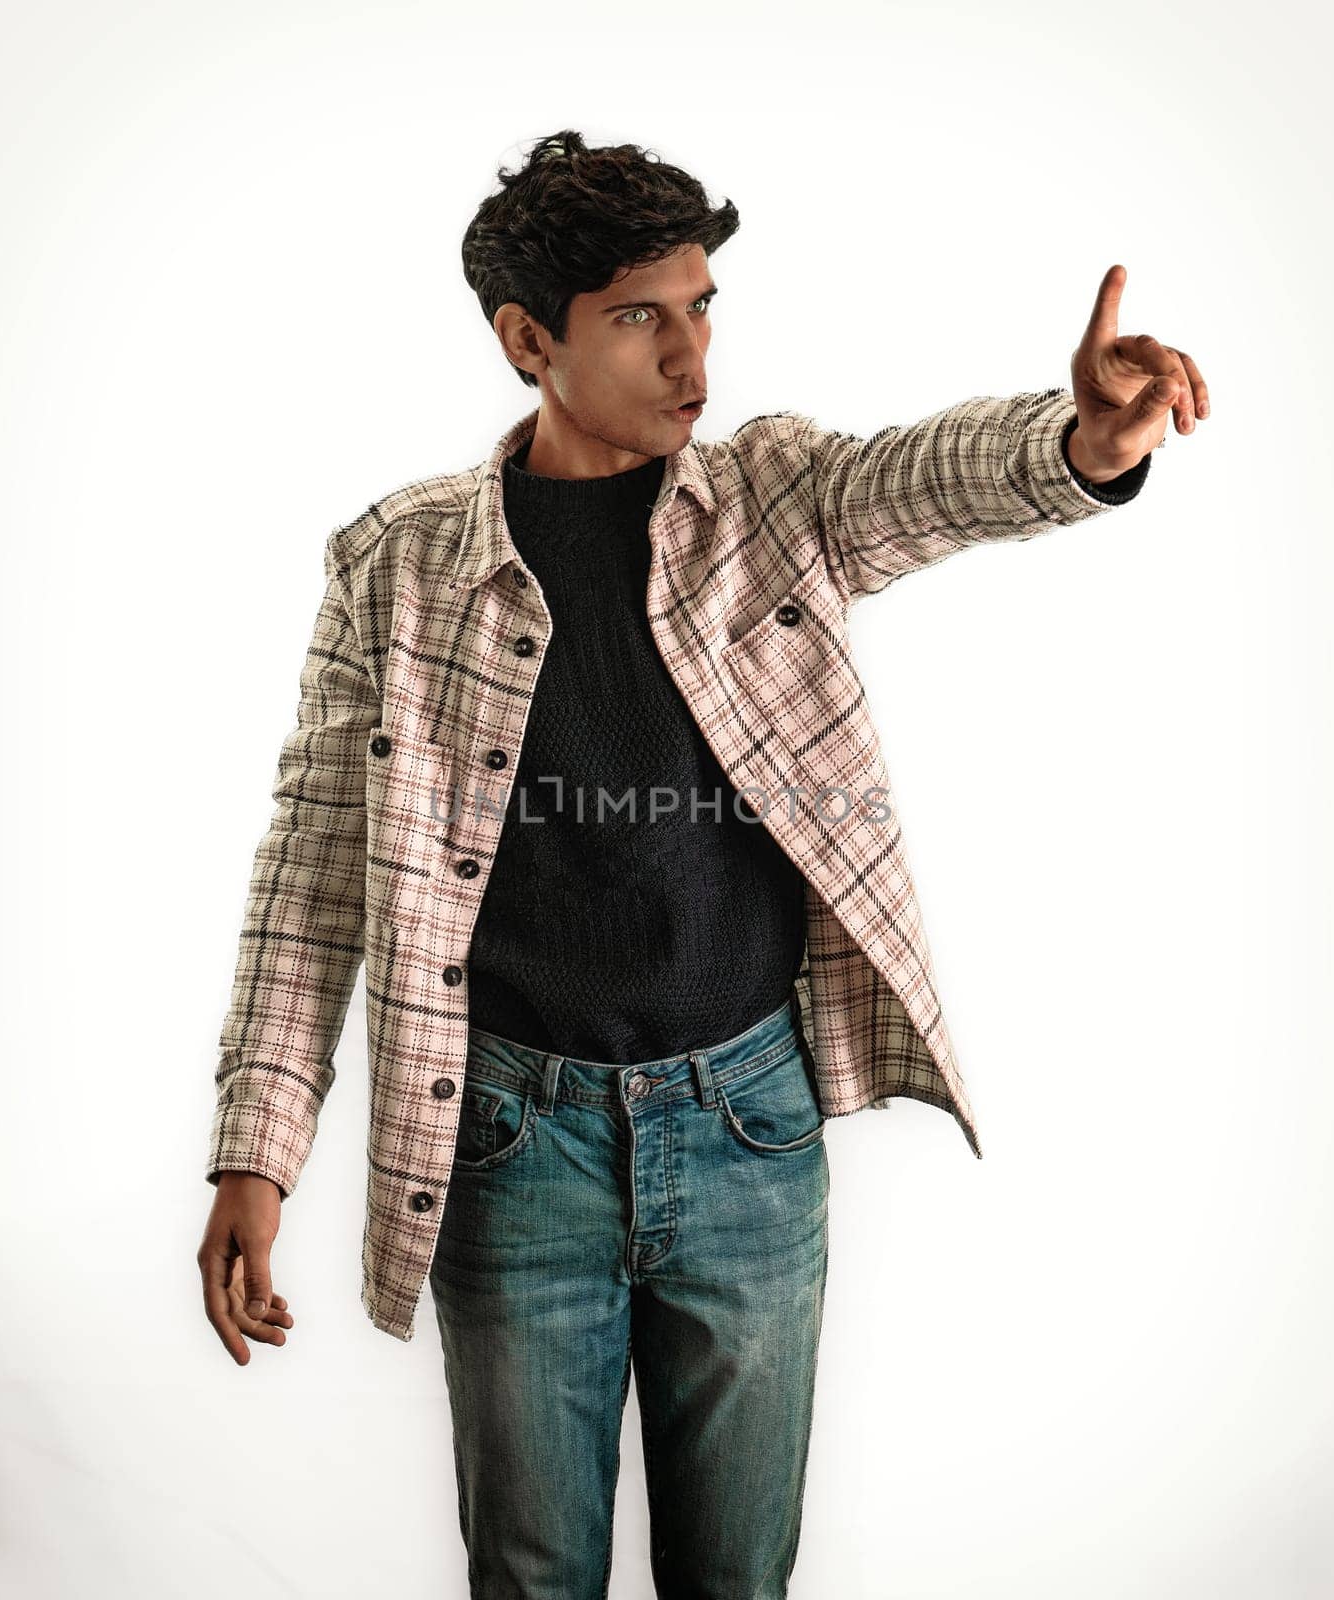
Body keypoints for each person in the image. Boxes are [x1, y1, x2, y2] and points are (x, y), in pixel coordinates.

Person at [197, 128, 1209, 1597]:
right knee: (531, 1574)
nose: (694, 356)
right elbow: (312, 872)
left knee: (740, 1577)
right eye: (640, 317)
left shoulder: (773, 502)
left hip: (748, 1127)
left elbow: (924, 478)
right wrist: (256, 1145)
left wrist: (1082, 444)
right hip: (506, 1141)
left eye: (704, 304)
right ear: (527, 340)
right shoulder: (398, 569)